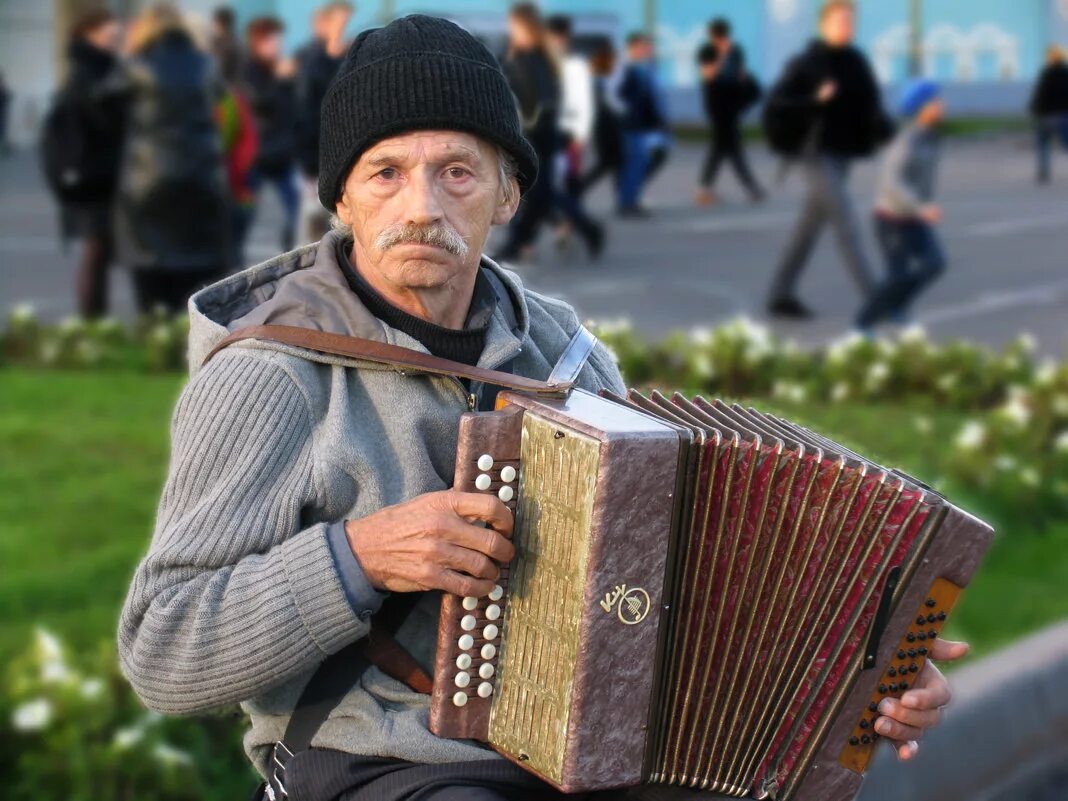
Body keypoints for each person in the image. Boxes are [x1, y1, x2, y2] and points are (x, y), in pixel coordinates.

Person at [117, 14, 964, 801]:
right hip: (371, 756)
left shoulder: (567, 360)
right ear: (341, 198)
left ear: (508, 194)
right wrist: (361, 555)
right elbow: (161, 648)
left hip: (572, 749)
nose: (422, 206)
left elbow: (674, 582)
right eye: (386, 172)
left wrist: (868, 669)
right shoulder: (271, 375)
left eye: (457, 171)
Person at [764, 0, 893, 320]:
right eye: (839, 21)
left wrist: (885, 129)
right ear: (824, 25)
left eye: (850, 21)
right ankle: (877, 299)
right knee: (847, 223)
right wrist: (814, 100)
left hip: (844, 155)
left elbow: (871, 105)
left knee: (806, 230)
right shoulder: (808, 63)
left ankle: (780, 293)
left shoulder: (856, 62)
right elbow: (778, 104)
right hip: (816, 155)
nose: (845, 27)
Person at [114, 3, 230, 313]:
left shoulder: (138, 65)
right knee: (198, 269)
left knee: (149, 262)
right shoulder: (206, 64)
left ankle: (155, 336)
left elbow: (104, 97)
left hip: (149, 175)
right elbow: (221, 98)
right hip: (201, 174)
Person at [497, 4, 602, 262]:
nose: (512, 30)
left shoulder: (534, 57)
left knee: (536, 193)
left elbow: (541, 99)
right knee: (536, 194)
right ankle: (519, 243)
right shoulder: (527, 55)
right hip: (537, 132)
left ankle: (517, 244)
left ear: (526, 26)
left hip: (537, 133)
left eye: (515, 26)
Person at [856, 79, 946, 333]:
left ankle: (896, 307)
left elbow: (922, 178)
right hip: (892, 219)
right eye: (936, 101)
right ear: (922, 108)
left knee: (935, 263)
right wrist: (921, 207)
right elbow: (890, 183)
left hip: (913, 217)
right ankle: (861, 325)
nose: (942, 105)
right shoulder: (906, 141)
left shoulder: (931, 137)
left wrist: (923, 205)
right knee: (898, 276)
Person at [57, 10, 125, 318]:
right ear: (90, 35)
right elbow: (97, 119)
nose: (114, 40)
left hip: (98, 173)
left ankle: (94, 316)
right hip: (93, 175)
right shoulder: (87, 73)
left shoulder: (100, 69)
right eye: (108, 35)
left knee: (100, 250)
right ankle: (91, 318)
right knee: (96, 249)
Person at [295, 2, 354, 242]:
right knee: (313, 221)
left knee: (338, 223)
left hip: (342, 153)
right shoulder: (311, 61)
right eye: (338, 22)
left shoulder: (346, 59)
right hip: (314, 156)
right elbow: (304, 113)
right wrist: (308, 163)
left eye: (345, 22)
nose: (342, 28)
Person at [243, 15, 301, 252]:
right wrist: (280, 80)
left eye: (279, 41)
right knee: (244, 212)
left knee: (293, 210)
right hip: (256, 155)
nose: (277, 46)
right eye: (272, 41)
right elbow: (257, 103)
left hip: (282, 154)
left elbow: (291, 110)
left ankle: (289, 256)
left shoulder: (280, 71)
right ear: (258, 42)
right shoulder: (249, 70)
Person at [694, 18, 764, 206]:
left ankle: (705, 188)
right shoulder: (706, 51)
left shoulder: (737, 50)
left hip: (732, 104)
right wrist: (722, 56)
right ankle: (752, 188)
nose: (720, 40)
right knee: (730, 147)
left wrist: (745, 93)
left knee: (722, 147)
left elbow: (741, 74)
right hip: (716, 105)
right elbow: (708, 75)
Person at [618, 32, 668, 217]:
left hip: (643, 125)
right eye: (645, 46)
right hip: (632, 125)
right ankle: (627, 203)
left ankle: (630, 199)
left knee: (641, 163)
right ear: (635, 47)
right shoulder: (627, 68)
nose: (649, 50)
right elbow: (622, 98)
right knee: (635, 164)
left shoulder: (645, 68)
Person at [579, 41, 624, 197]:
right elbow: (609, 106)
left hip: (605, 126)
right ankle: (579, 188)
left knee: (613, 161)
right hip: (605, 127)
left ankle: (622, 194)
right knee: (609, 162)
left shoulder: (597, 80)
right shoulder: (598, 81)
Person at [1029, 45, 1068, 185]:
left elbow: (1041, 95)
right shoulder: (1066, 73)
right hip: (1064, 115)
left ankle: (1043, 172)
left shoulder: (1047, 74)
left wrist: (1036, 110)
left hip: (1048, 116)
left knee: (1043, 144)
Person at [210, 6, 243, 85]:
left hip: (227, 88)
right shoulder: (238, 42)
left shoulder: (222, 43)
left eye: (215, 22)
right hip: (233, 86)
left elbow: (216, 68)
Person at [0, 70, 11, 156]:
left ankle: (3, 149)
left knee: (3, 131)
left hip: (3, 113)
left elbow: (7, 97)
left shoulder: (2, 88)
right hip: (2, 113)